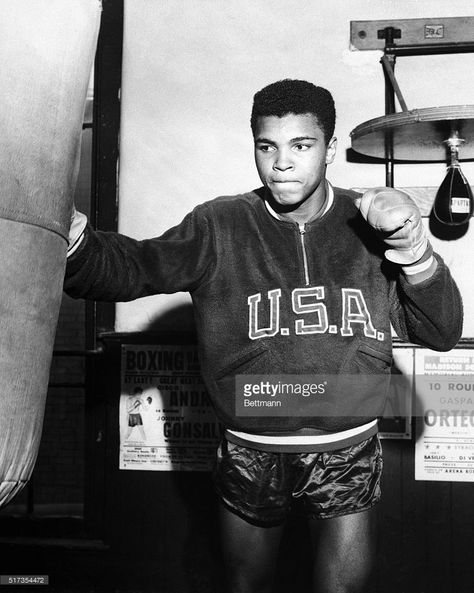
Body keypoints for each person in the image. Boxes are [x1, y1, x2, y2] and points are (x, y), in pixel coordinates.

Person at [65, 79, 463, 593]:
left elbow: (442, 331)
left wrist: (414, 249)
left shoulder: (368, 225)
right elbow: (136, 267)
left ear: (330, 150)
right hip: (250, 443)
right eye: (267, 146)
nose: (282, 163)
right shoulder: (221, 224)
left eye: (301, 145)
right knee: (245, 584)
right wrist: (70, 238)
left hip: (346, 445)